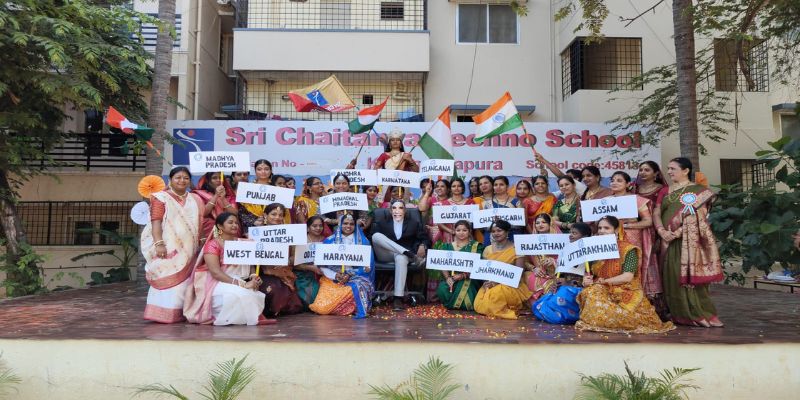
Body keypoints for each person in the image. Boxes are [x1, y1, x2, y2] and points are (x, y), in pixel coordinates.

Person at [575, 216, 675, 334]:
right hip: (602, 288)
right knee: (589, 292)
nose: (602, 231)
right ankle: (603, 319)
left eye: (606, 228)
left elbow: (627, 277)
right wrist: (586, 281)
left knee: (595, 292)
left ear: (617, 230)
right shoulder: (595, 251)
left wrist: (604, 282)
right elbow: (591, 275)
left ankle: (614, 320)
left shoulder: (628, 250)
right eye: (600, 228)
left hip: (625, 289)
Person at [655, 157, 723, 328]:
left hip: (687, 242)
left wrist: (676, 233)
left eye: (673, 169)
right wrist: (661, 231)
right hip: (666, 241)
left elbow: (699, 217)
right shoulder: (665, 190)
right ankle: (679, 314)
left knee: (689, 277)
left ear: (685, 171)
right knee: (671, 277)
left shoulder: (698, 191)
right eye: (668, 168)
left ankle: (701, 313)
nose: (669, 172)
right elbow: (656, 212)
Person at [142, 167, 204, 323]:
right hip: (168, 246)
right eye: (178, 177)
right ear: (170, 180)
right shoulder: (161, 197)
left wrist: (216, 197)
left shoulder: (195, 199)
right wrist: (159, 243)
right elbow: (156, 222)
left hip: (189, 248)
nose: (182, 181)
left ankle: (180, 313)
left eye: (186, 178)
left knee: (184, 284)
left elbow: (202, 217)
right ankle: (161, 313)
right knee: (166, 274)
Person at [183, 212, 266, 325]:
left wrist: (253, 277)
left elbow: (250, 264)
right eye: (230, 222)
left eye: (236, 223)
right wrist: (242, 284)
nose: (235, 225)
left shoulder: (243, 243)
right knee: (239, 294)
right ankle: (224, 317)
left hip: (239, 280)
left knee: (252, 294)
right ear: (220, 226)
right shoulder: (213, 245)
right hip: (217, 282)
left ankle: (240, 319)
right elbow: (216, 273)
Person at [609, 171, 664, 316]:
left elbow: (648, 221)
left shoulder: (636, 200)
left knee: (632, 269)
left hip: (631, 238)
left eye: (619, 180)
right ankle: (614, 304)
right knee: (612, 267)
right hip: (611, 240)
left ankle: (634, 304)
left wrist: (626, 225)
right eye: (612, 180)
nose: (614, 183)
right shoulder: (605, 201)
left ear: (628, 184)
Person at [310, 214, 376, 318]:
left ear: (355, 225)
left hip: (355, 279)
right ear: (340, 225)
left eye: (351, 224)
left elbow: (367, 267)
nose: (348, 226)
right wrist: (335, 275)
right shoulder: (329, 241)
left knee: (358, 288)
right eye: (345, 223)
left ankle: (353, 307)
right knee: (321, 308)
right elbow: (322, 265)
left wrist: (349, 274)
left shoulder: (364, 242)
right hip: (332, 279)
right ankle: (347, 307)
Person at [370, 199, 430, 310]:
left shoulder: (413, 223)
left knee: (401, 258)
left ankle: (398, 298)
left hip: (403, 257)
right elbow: (373, 239)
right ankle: (408, 253)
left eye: (400, 208)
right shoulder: (382, 222)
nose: (397, 211)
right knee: (376, 236)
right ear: (390, 210)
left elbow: (425, 239)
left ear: (405, 210)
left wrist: (423, 245)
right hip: (385, 254)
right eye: (394, 208)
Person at [473, 220, 532, 319]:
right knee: (479, 304)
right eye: (493, 231)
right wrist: (486, 282)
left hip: (510, 285)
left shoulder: (516, 249)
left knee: (494, 298)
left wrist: (497, 282)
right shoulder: (488, 249)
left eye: (499, 230)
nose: (496, 233)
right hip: (490, 283)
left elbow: (518, 274)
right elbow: (484, 271)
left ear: (507, 232)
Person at [257, 203, 303, 317]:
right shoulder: (257, 232)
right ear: (265, 215)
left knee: (292, 303)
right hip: (264, 272)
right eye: (273, 214)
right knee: (272, 289)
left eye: (280, 215)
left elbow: (296, 256)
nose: (277, 217)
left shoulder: (289, 233)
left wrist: (287, 261)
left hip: (284, 272)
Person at [435, 220, 484, 310]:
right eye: (458, 230)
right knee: (442, 288)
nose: (461, 233)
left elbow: (479, 266)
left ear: (469, 231)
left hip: (469, 278)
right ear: (454, 231)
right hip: (452, 277)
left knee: (466, 288)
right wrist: (448, 278)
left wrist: (463, 275)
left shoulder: (476, 246)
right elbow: (442, 264)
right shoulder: (447, 246)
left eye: (464, 230)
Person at [293, 216, 326, 309]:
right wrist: (311, 268)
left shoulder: (326, 241)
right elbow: (294, 264)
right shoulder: (300, 241)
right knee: (312, 299)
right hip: (304, 274)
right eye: (314, 226)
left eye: (320, 226)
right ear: (308, 228)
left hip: (323, 274)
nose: (318, 228)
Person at [526, 214, 560, 301]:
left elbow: (567, 259)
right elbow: (525, 261)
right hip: (537, 273)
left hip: (556, 274)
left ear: (550, 224)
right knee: (530, 278)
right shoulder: (529, 241)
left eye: (544, 222)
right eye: (537, 223)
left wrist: (554, 261)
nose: (540, 225)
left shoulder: (560, 240)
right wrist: (534, 268)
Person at [479, 176, 521, 246]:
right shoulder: (486, 204)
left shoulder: (517, 202)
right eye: (495, 185)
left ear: (507, 186)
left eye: (501, 184)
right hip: (491, 238)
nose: (498, 187)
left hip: (511, 236)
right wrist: (493, 224)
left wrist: (503, 224)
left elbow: (521, 224)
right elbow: (481, 227)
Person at [195, 172, 238, 238]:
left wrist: (223, 199)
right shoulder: (200, 195)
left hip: (229, 227)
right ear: (208, 181)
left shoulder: (230, 196)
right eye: (214, 178)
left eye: (220, 178)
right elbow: (203, 213)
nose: (218, 180)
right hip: (209, 229)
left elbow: (234, 213)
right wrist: (216, 195)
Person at [417, 178, 453, 244]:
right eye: (437, 186)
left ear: (448, 189)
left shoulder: (452, 202)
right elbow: (421, 208)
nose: (439, 188)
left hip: (449, 232)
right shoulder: (432, 199)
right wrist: (427, 193)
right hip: (433, 232)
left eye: (442, 186)